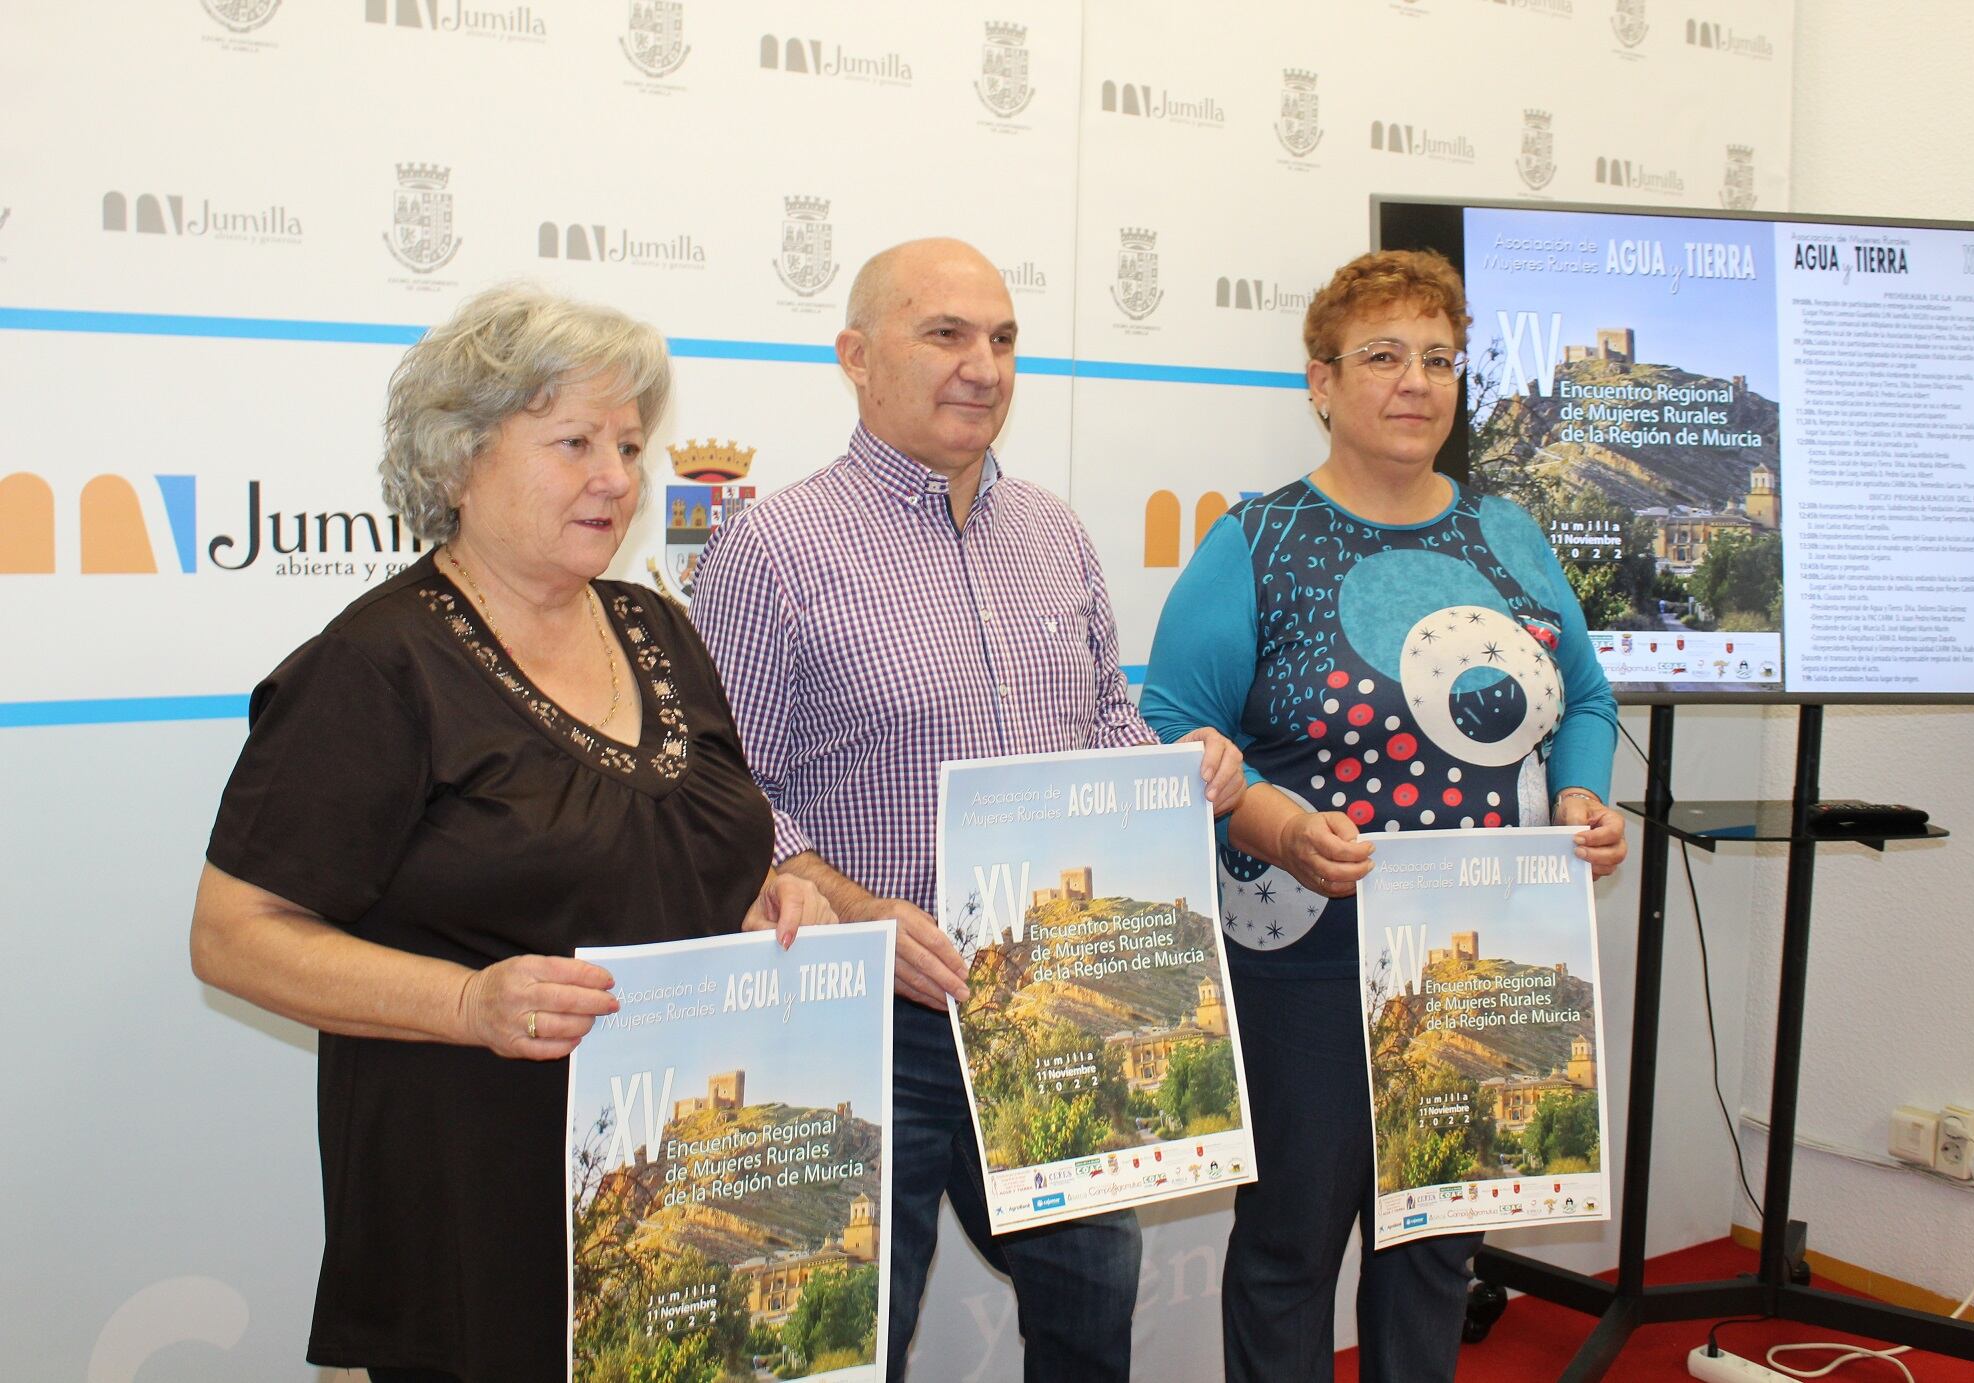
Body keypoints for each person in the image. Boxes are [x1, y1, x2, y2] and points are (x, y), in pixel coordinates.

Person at [189, 285, 828, 1383]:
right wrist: (466, 1001)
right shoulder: (376, 666)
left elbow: (686, 851)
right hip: (470, 1202)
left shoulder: (658, 626)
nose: (616, 479)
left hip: (673, 1198)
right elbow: (233, 935)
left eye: (628, 444)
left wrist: (760, 901)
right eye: (573, 441)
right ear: (457, 462)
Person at [689, 237, 1245, 1382]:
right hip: (859, 1018)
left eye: (1001, 338)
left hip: (1046, 1000)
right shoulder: (771, 548)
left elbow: (1100, 723)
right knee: (849, 1343)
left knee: (1092, 1314)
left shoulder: (1055, 531)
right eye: (944, 334)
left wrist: (1180, 767)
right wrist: (856, 912)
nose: (981, 366)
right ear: (854, 355)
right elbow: (722, 790)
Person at [1138, 248, 1630, 1382]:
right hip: (1305, 951)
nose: (1415, 381)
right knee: (1289, 1250)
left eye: (1439, 359)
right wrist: (1274, 827)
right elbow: (1171, 737)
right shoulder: (1258, 542)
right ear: (1320, 382)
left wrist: (1580, 791)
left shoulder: (1508, 531)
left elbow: (1587, 696)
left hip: (1477, 948)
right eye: (1381, 357)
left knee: (1435, 1249)